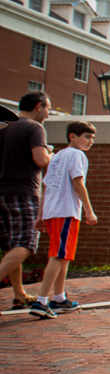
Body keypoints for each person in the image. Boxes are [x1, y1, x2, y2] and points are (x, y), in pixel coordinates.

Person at [32, 121, 98, 316]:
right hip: (66, 211)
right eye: (87, 136)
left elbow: (46, 187)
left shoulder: (56, 156)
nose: (90, 141)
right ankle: (41, 301)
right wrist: (89, 210)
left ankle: (59, 297)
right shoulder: (77, 155)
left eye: (92, 138)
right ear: (72, 136)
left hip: (52, 212)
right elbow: (78, 183)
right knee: (59, 255)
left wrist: (40, 216)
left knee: (63, 256)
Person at [0, 92, 54, 317]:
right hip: (23, 192)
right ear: (38, 106)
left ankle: (19, 295)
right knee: (26, 243)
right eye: (48, 108)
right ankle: (19, 294)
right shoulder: (34, 128)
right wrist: (51, 155)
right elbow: (40, 160)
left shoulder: (4, 130)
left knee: (12, 246)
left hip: (1, 193)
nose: (48, 114)